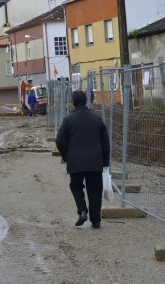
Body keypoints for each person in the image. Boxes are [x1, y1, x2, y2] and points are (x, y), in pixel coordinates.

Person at [56, 90, 110, 229]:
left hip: (76, 162)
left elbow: (59, 140)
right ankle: (96, 220)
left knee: (75, 186)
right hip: (95, 162)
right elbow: (105, 142)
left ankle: (82, 211)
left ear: (73, 103)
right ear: (86, 101)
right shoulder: (97, 119)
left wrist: (66, 156)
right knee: (95, 189)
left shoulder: (68, 120)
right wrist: (105, 162)